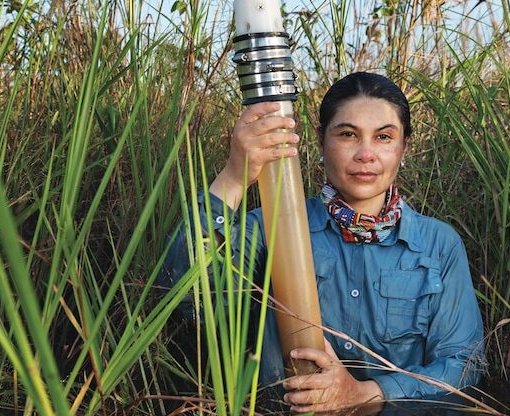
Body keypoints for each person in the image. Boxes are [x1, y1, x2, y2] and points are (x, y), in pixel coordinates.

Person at [163, 72, 484, 413]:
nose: (365, 154)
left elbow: (463, 365)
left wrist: (364, 393)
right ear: (320, 141)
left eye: (384, 137)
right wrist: (233, 174)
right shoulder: (271, 226)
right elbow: (192, 298)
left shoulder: (439, 244)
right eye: (348, 134)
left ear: (404, 146)